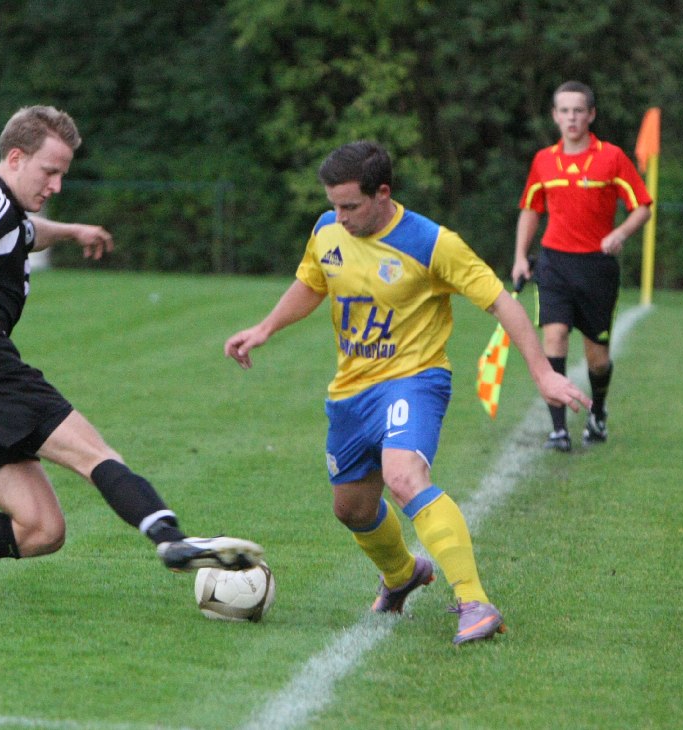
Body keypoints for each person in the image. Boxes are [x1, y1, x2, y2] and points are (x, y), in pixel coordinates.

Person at [0, 105, 263, 601]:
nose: (57, 185)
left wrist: (73, 232)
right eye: (50, 172)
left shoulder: (0, 212)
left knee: (41, 529)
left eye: (63, 174)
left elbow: (27, 234)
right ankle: (171, 539)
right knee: (95, 455)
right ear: (15, 157)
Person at [224, 141, 590, 644]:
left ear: (383, 193)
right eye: (334, 205)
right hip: (351, 391)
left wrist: (544, 374)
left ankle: (475, 602)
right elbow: (312, 282)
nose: (340, 217)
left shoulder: (432, 243)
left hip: (415, 379)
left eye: (350, 206)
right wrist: (266, 328)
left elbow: (502, 303)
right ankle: (402, 575)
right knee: (351, 508)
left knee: (403, 476)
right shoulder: (327, 230)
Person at [512, 81, 653, 453]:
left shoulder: (612, 157)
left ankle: (598, 412)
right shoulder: (544, 160)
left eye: (578, 111)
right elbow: (531, 209)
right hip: (554, 263)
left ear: (591, 115)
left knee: (597, 358)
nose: (571, 118)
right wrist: (520, 256)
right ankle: (558, 430)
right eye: (564, 111)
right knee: (555, 336)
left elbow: (642, 206)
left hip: (596, 267)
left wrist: (620, 233)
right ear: (555, 116)